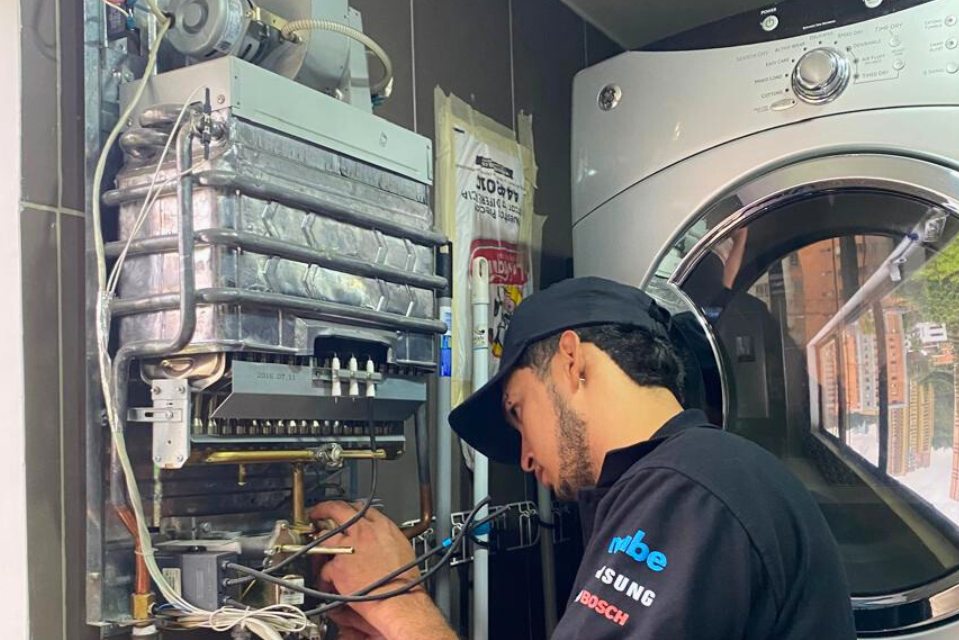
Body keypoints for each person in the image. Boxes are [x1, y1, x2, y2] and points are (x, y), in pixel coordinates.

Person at [311, 276, 857, 640]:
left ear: (571, 361)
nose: (524, 459)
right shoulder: (696, 475)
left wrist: (398, 603)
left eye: (518, 412)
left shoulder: (685, 489)